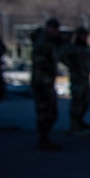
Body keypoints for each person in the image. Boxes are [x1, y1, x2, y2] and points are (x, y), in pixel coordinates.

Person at [29, 17, 65, 151]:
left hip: (47, 82)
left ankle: (45, 137)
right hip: (42, 82)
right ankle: (44, 139)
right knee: (45, 112)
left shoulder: (48, 42)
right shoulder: (42, 43)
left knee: (51, 111)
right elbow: (40, 62)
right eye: (54, 29)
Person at [59, 26, 90, 132]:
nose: (84, 37)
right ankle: (74, 123)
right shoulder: (72, 48)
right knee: (77, 101)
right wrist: (72, 65)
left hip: (85, 78)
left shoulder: (87, 49)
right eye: (83, 35)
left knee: (86, 101)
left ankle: (80, 120)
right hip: (76, 78)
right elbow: (62, 56)